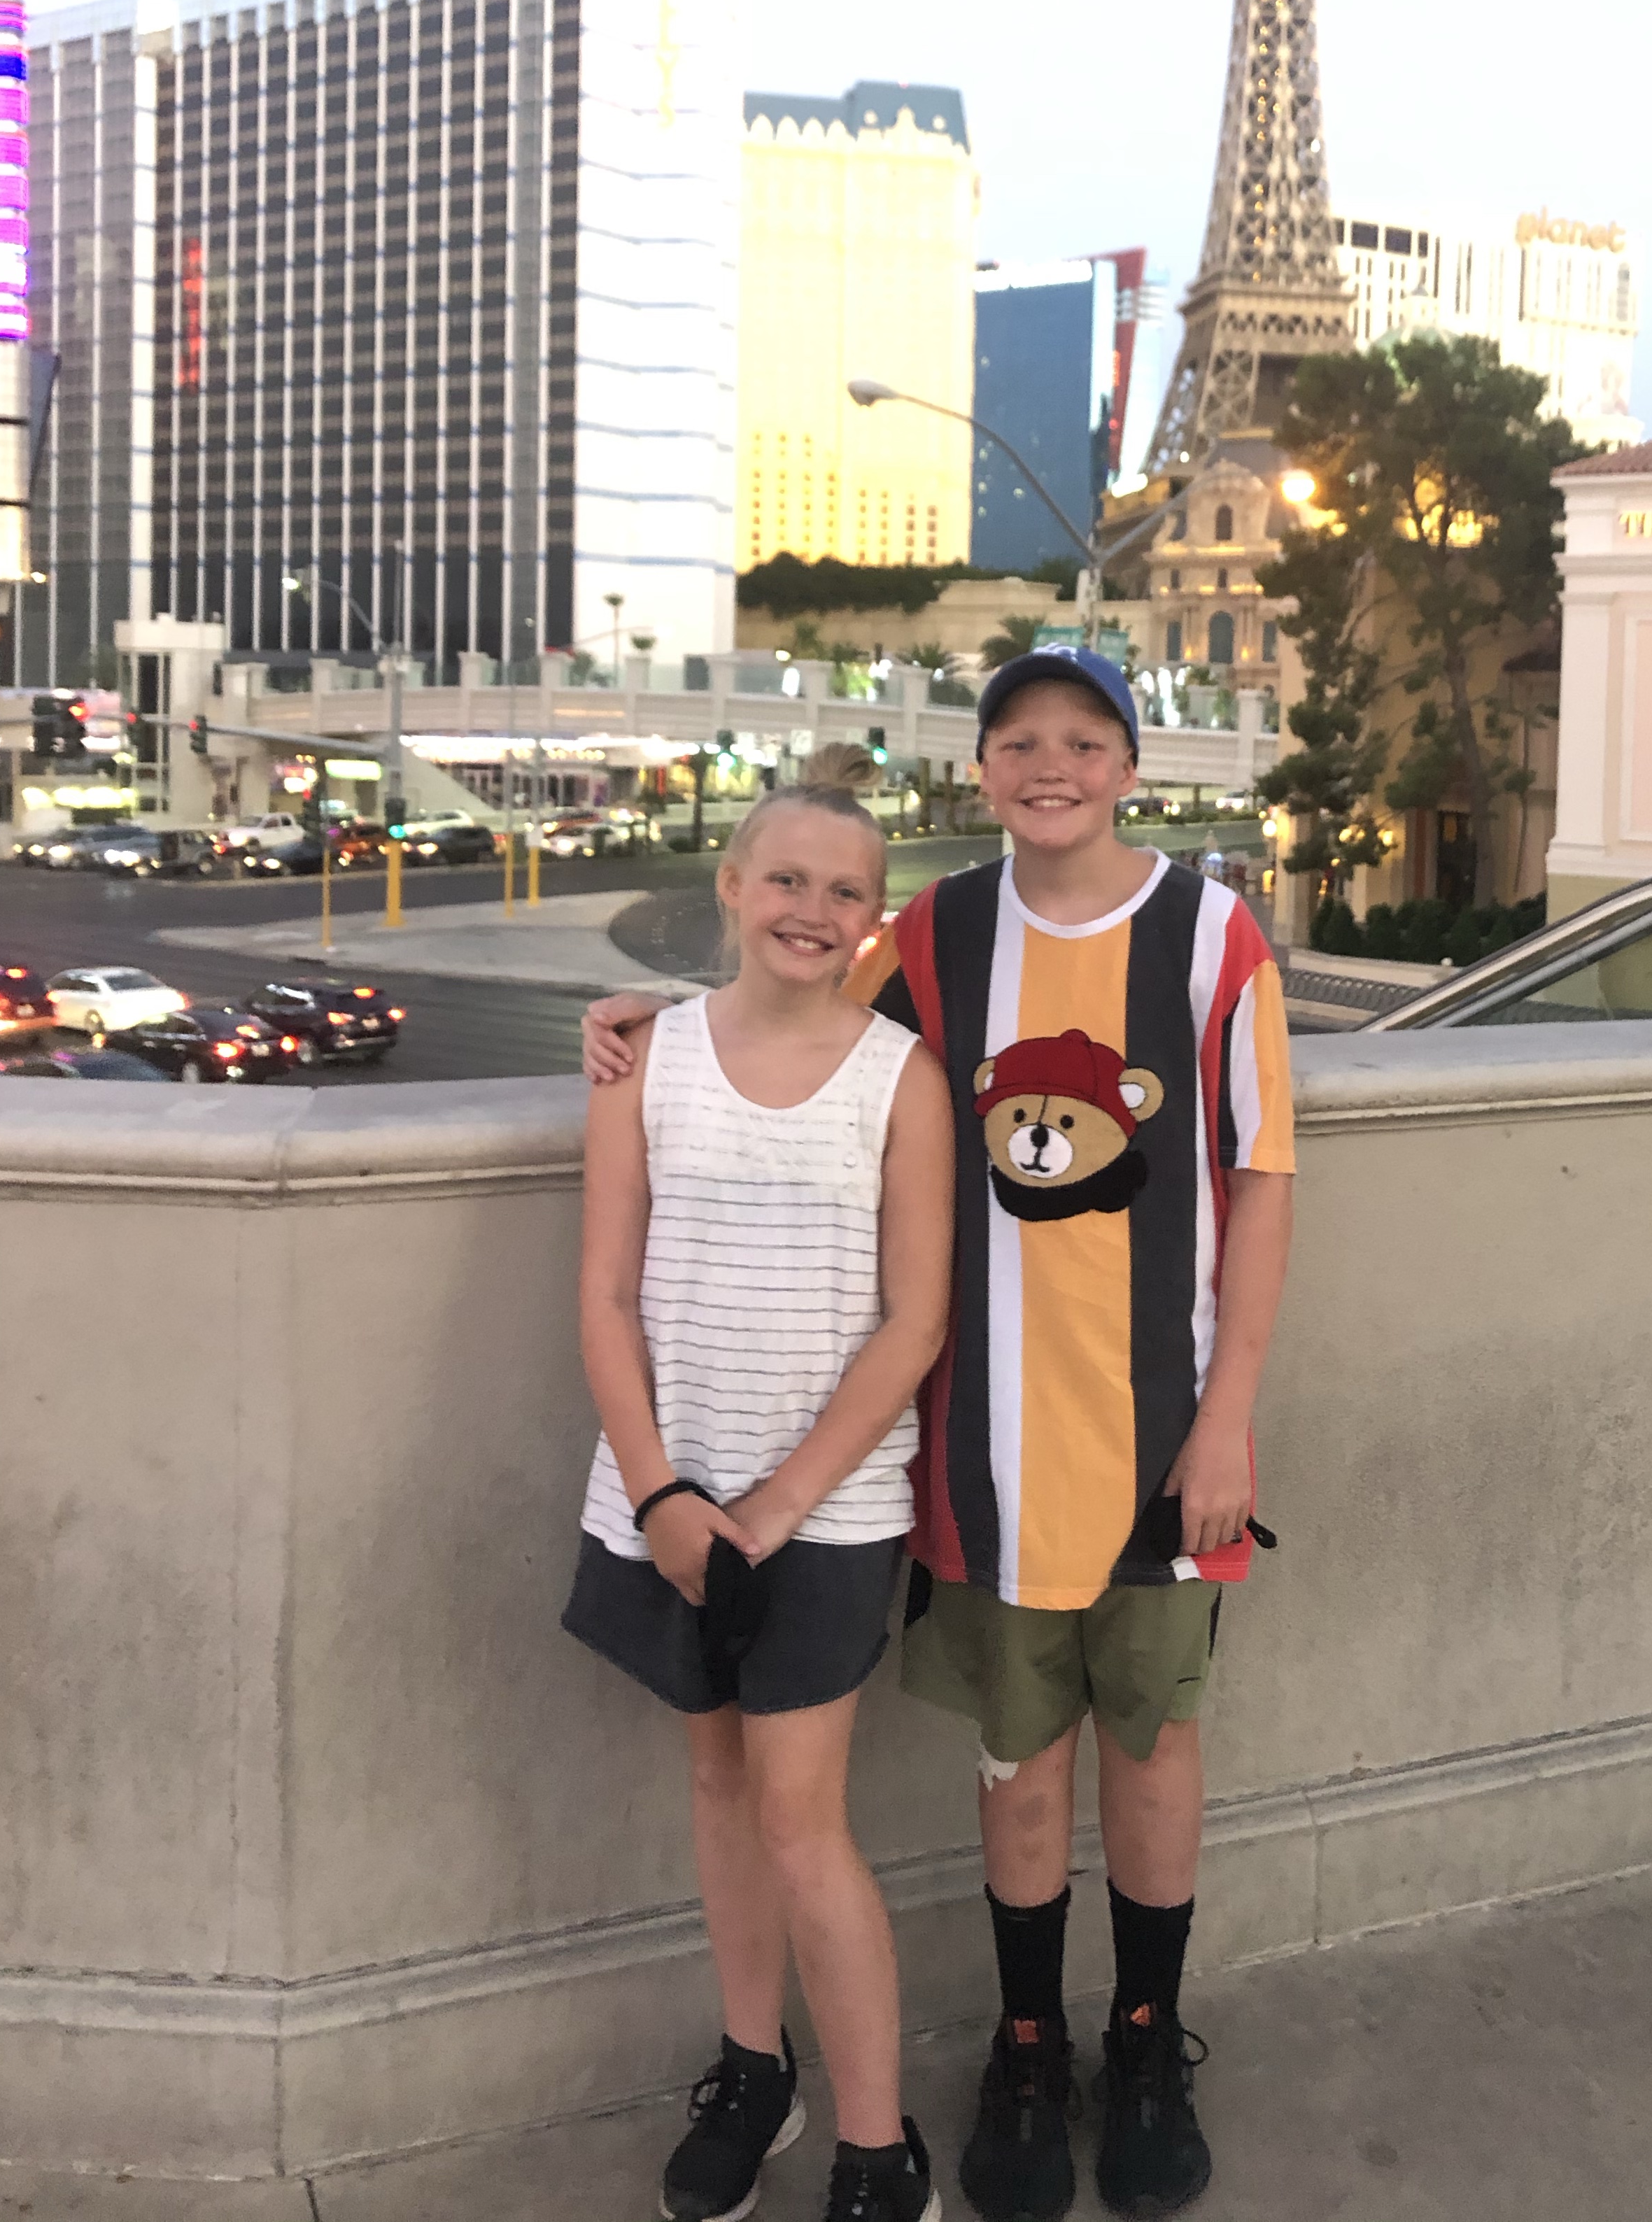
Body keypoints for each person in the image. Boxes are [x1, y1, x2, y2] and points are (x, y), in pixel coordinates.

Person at [587, 653, 1296, 2222]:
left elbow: (1262, 1182)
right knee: (1019, 1761)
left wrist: (1231, 1417)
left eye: (1086, 741)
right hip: (978, 1446)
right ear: (979, 770)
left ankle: (1147, 2036)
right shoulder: (933, 933)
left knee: (1155, 1748)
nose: (1053, 765)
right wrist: (645, 1021)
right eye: (1020, 741)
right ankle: (1028, 2045)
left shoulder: (1213, 935)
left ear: (1131, 768)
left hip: (1164, 1441)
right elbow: (787, 1012)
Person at [565, 764, 953, 2222]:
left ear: (875, 920)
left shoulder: (901, 1081)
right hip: (671, 1498)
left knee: (803, 1819)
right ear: (730, 888)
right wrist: (662, 1495)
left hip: (827, 1515)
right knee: (719, 1784)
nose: (813, 909)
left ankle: (877, 2146)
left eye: (846, 892)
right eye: (786, 878)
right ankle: (752, 2067)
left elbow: (914, 1322)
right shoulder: (644, 1061)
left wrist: (775, 1511)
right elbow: (606, 1295)